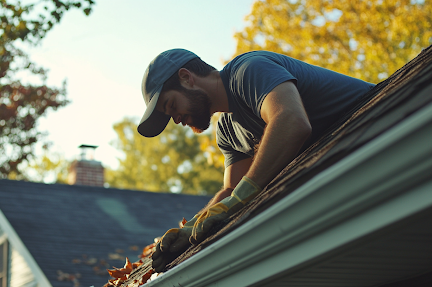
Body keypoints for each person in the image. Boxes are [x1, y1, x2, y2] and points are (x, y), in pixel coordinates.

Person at [138, 49, 375, 272]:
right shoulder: (227, 132)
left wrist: (239, 199)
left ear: (187, 78)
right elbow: (232, 189)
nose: (176, 120)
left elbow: (291, 120)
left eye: (171, 105)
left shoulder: (248, 70)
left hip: (383, 124)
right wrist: (189, 229)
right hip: (344, 171)